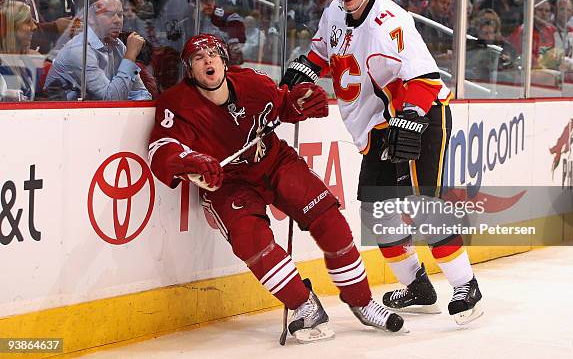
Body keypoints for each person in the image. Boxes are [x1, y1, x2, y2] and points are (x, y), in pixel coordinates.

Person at [147, 33, 404, 343]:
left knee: (330, 221)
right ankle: (303, 305)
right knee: (251, 240)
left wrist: (301, 102)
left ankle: (362, 302)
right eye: (198, 59)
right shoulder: (176, 103)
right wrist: (190, 161)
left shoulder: (253, 83)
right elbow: (161, 148)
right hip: (228, 183)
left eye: (213, 54)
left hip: (274, 162)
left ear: (224, 61)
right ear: (190, 70)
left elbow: (283, 105)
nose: (208, 61)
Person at [280, 0, 484, 325]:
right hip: (377, 127)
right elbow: (323, 50)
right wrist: (305, 67)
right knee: (378, 213)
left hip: (421, 115)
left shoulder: (392, 21)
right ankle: (418, 288)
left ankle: (466, 285)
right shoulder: (333, 12)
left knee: (424, 208)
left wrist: (409, 117)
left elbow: (425, 78)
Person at [45, 0, 151, 101]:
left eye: (120, 14)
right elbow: (111, 99)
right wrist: (130, 57)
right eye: (109, 14)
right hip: (63, 115)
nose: (117, 20)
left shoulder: (118, 46)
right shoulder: (80, 50)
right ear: (90, 17)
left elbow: (141, 93)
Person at [0, 0, 39, 101]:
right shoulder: (2, 71)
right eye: (27, 22)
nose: (34, 27)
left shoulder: (27, 64)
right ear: (11, 28)